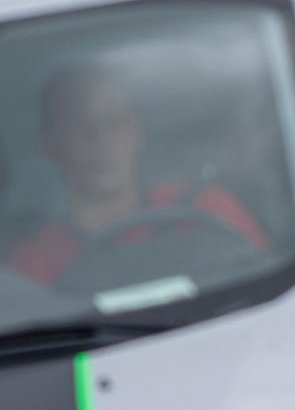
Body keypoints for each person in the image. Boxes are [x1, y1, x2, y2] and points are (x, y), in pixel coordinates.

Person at [9, 64, 267, 285]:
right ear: (50, 147)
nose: (101, 140)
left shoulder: (205, 209)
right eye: (78, 126)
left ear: (136, 132)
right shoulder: (31, 266)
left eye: (113, 122)